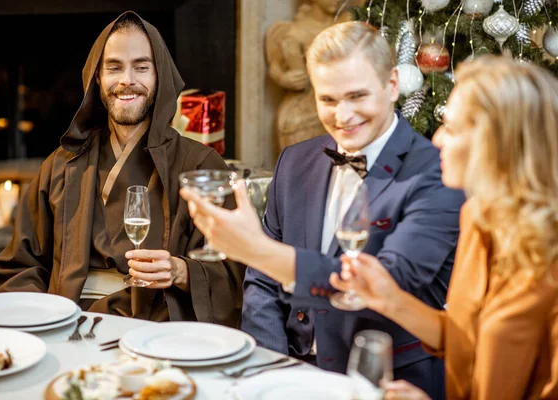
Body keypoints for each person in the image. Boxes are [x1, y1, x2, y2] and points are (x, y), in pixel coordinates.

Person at [181, 21, 465, 398]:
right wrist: (270, 370)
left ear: (393, 84)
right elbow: (262, 284)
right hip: (288, 374)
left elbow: (390, 281)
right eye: (328, 100)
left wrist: (257, 250)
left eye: (357, 97)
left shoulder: (438, 171)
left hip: (389, 382)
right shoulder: (295, 161)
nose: (342, 117)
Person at [0, 11, 245, 327]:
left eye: (141, 67)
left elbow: (234, 272)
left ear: (159, 75)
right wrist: (42, 323)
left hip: (154, 330)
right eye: (114, 67)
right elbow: (20, 267)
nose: (127, 81)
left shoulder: (199, 165)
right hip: (68, 323)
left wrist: (181, 271)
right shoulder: (61, 165)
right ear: (97, 78)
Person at [331, 56, 558, 399]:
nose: (436, 140)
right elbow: (467, 341)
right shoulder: (479, 218)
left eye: (451, 128)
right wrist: (390, 300)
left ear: (497, 144)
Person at [266, 0, 353, 151]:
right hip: (303, 106)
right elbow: (275, 67)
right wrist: (284, 78)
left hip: (342, 105)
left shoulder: (349, 23)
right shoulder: (293, 31)